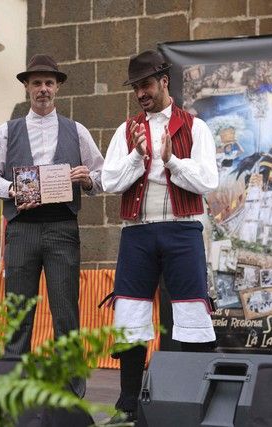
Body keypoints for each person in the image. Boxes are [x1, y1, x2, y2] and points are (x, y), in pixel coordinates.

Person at [102, 50, 218, 422]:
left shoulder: (195, 127)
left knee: (190, 312)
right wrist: (138, 157)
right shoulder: (126, 130)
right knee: (131, 312)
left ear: (164, 81)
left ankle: (192, 401)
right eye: (136, 87)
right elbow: (109, 181)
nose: (141, 93)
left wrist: (170, 161)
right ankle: (128, 404)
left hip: (183, 230)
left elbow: (207, 182)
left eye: (147, 85)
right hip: (137, 232)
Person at [0, 54, 104, 398]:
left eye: (49, 83)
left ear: (58, 87)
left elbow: (102, 175)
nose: (43, 89)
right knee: (18, 312)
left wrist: (87, 179)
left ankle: (71, 393)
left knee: (66, 312)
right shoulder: (7, 131)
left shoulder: (77, 130)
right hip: (21, 229)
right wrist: (12, 189)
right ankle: (14, 390)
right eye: (36, 83)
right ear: (26, 87)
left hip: (62, 227)